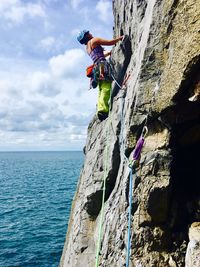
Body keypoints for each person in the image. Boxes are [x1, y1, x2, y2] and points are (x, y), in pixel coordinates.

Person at [77, 30, 123, 121]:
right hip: (102, 66)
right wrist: (120, 38)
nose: (90, 33)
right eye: (88, 33)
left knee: (101, 89)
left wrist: (108, 54)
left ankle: (100, 109)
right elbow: (110, 42)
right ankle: (103, 110)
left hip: (97, 67)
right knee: (106, 87)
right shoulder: (94, 40)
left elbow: (97, 56)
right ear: (86, 36)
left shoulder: (88, 48)